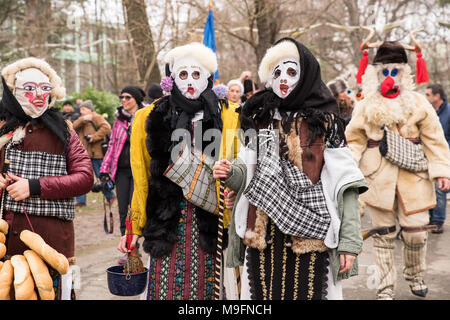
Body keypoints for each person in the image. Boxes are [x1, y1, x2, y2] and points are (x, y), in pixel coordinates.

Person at [214, 38, 367, 300]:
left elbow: (346, 185)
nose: (283, 79)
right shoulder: (260, 117)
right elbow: (246, 171)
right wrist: (230, 172)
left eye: (291, 72)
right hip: (264, 240)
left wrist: (349, 243)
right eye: (277, 73)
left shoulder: (325, 122)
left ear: (306, 75)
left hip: (312, 238)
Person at [117, 42, 241, 300]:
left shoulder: (229, 117)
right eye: (183, 75)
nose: (190, 81)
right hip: (165, 222)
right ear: (171, 79)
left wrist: (232, 187)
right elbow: (141, 179)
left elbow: (241, 167)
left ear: (208, 78)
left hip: (212, 221)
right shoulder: (148, 117)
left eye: (196, 74)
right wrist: (133, 229)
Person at [345, 33, 450, 299]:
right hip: (377, 177)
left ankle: (414, 274)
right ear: (377, 74)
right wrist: (350, 168)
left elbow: (435, 139)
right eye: (385, 72)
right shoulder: (366, 105)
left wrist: (441, 171)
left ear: (403, 73)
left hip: (414, 176)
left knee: (416, 233)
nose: (390, 76)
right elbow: (354, 139)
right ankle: (385, 287)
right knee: (383, 234)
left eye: (395, 71)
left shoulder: (418, 103)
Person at [0, 57, 94, 299]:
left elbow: (85, 178)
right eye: (29, 89)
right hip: (6, 242)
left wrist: (34, 186)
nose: (39, 95)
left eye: (44, 88)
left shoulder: (64, 131)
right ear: (13, 92)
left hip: (55, 242)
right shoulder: (2, 128)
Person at [100, 85, 145, 263]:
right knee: (123, 209)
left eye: (128, 97)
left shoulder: (145, 116)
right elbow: (112, 145)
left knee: (136, 209)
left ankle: (138, 242)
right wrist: (104, 170)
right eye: (122, 97)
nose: (124, 101)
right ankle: (129, 249)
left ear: (136, 99)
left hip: (139, 170)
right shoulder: (119, 120)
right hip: (122, 172)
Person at [73, 100, 113, 206]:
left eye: (84, 109)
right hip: (84, 154)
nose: (81, 111)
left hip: (96, 153)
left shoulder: (96, 117)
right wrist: (82, 119)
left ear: (90, 109)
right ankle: (81, 200)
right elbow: (72, 127)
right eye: (81, 109)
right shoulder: (82, 119)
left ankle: (110, 196)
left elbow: (107, 127)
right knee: (81, 176)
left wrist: (94, 137)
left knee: (101, 177)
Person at [426, 83, 450, 234]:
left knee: (440, 187)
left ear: (437, 96)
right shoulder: (428, 112)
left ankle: (438, 220)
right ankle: (429, 217)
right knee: (428, 186)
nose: (425, 97)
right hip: (429, 154)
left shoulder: (449, 112)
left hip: (445, 154)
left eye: (428, 94)